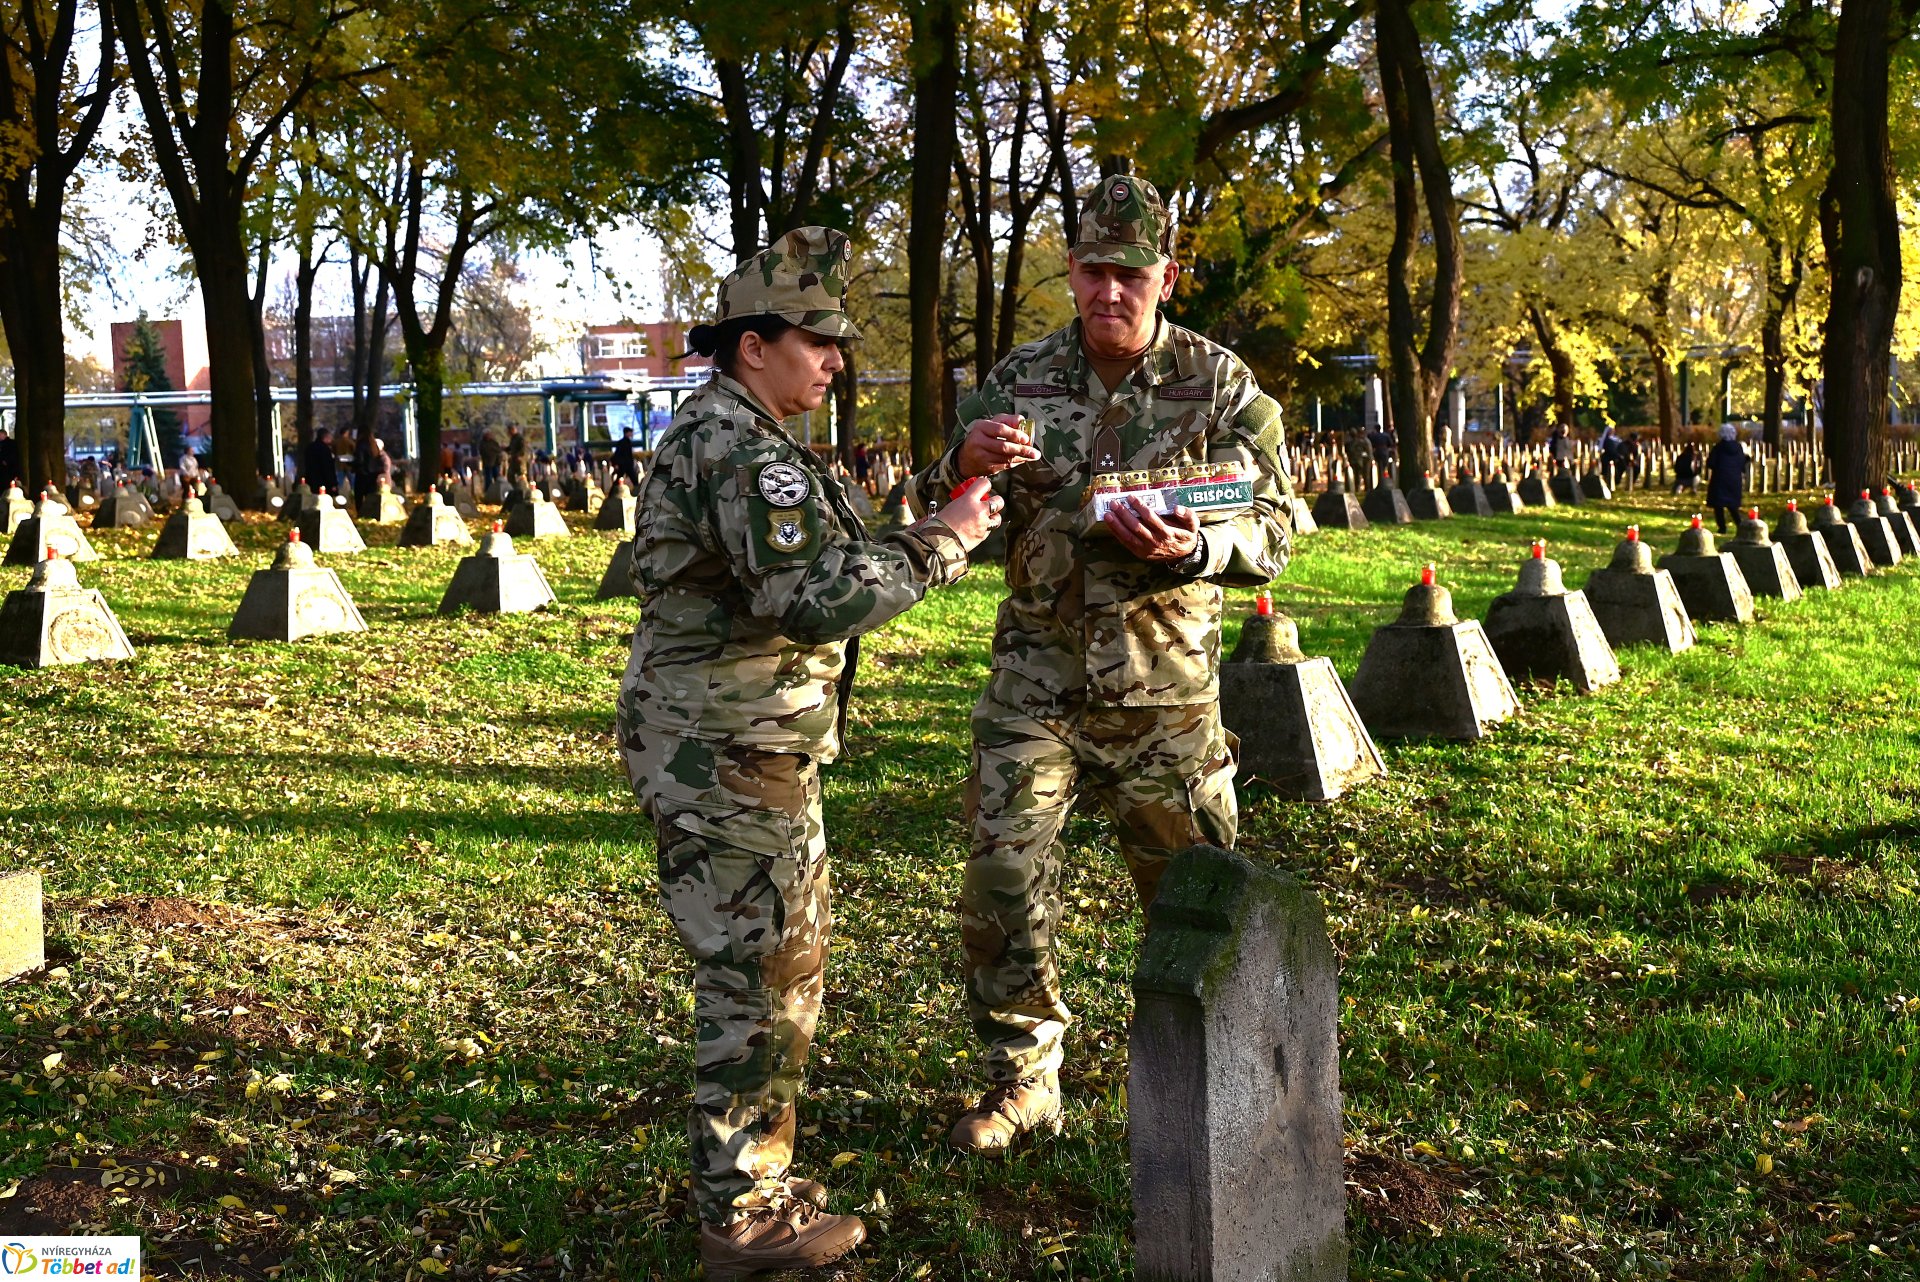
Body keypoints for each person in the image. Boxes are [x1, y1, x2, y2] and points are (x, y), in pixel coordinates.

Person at [618, 226, 1003, 1279]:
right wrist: (952, 537)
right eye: (819, 340)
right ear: (755, 344)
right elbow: (814, 595)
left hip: (747, 745)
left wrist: (945, 490)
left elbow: (843, 554)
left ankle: (758, 1182)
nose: (836, 361)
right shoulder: (737, 447)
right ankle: (742, 1219)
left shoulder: (750, 440)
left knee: (779, 967)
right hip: (726, 753)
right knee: (757, 975)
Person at [907, 173, 1293, 1155]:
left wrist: (1198, 549)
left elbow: (1280, 524)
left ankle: (1221, 1084)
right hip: (1036, 686)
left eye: (1130, 272)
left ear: (1165, 274)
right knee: (999, 875)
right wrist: (966, 456)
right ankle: (1024, 1079)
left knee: (1197, 904)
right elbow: (929, 499)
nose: (1109, 291)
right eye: (1091, 270)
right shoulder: (1019, 379)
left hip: (1166, 702)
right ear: (1070, 273)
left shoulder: (1221, 384)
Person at [1704, 423, 1748, 531]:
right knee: (1732, 505)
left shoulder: (1718, 447)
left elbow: (1711, 463)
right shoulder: (1738, 448)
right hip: (1734, 479)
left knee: (1718, 505)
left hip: (1720, 479)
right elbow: (1742, 463)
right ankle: (1740, 524)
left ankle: (1722, 527)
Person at [302, 428, 340, 493]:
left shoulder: (310, 447)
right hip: (324, 481)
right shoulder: (325, 449)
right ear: (326, 437)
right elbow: (327, 467)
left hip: (311, 480)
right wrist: (333, 483)